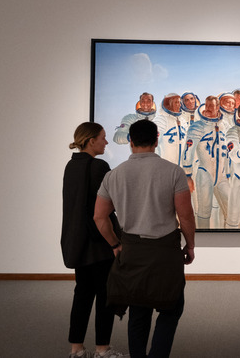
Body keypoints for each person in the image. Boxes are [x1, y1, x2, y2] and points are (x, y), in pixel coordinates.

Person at [94, 119, 196, 358]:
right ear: (157, 139)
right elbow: (186, 215)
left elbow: (99, 218)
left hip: (132, 250)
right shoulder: (173, 171)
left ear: (130, 142)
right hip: (165, 251)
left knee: (139, 309)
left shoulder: (114, 175)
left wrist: (115, 245)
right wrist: (190, 245)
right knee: (172, 306)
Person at [61, 122, 126, 358]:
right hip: (99, 242)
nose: (106, 142)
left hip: (77, 241)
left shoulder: (71, 166)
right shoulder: (98, 166)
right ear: (91, 141)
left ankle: (76, 349)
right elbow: (104, 210)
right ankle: (102, 349)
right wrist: (115, 243)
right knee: (104, 295)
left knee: (82, 294)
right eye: (103, 138)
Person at [183, 96, 229, 229]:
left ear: (218, 107)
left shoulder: (224, 125)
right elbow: (188, 150)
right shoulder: (197, 126)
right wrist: (187, 175)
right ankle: (202, 241)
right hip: (205, 173)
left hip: (222, 175)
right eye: (206, 105)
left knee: (231, 210)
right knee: (204, 212)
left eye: (211, 105)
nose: (208, 108)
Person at [154, 93, 186, 166]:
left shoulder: (183, 121)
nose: (179, 105)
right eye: (176, 102)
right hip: (165, 166)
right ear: (168, 104)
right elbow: (153, 142)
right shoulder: (161, 120)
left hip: (181, 168)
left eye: (179, 102)